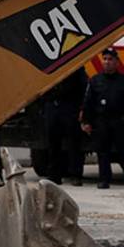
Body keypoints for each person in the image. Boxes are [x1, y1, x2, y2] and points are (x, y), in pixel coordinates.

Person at [82, 48, 124, 188]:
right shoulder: (95, 80)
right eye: (105, 59)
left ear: (117, 62)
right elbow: (88, 102)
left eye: (110, 59)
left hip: (119, 121)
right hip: (102, 121)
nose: (107, 62)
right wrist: (86, 121)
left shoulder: (122, 81)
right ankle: (104, 180)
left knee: (122, 150)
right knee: (103, 151)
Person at [44, 69, 88, 185]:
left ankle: (75, 175)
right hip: (53, 106)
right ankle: (54, 175)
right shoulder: (49, 66)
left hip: (69, 107)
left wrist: (82, 108)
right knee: (53, 143)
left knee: (73, 143)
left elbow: (84, 87)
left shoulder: (75, 67)